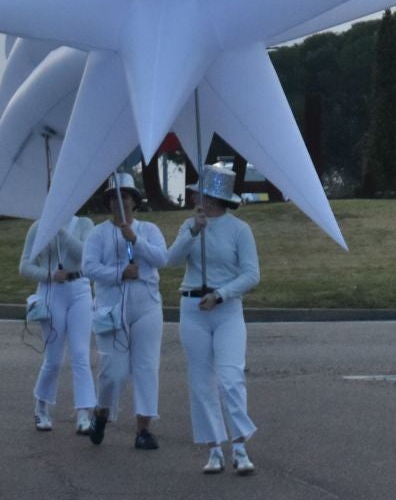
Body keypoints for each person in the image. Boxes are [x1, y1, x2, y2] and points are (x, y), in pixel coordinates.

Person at [165, 163, 261, 476]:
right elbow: (171, 260)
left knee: (231, 378)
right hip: (193, 309)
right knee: (201, 381)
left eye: (200, 192)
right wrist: (193, 230)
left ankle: (240, 447)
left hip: (226, 310)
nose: (194, 195)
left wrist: (220, 294)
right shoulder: (190, 225)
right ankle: (214, 449)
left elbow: (251, 274)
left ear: (214, 197)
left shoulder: (239, 229)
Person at [81, 173, 168, 450]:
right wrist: (119, 273)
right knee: (113, 371)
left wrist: (135, 239)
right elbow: (89, 267)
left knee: (146, 367)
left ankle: (143, 428)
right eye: (115, 199)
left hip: (146, 307)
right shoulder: (98, 233)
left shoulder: (149, 230)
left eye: (126, 197)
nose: (121, 203)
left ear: (134, 200)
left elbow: (161, 258)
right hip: (111, 310)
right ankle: (101, 412)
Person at [18, 200, 96, 434]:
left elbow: (84, 255)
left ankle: (84, 412)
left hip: (79, 288)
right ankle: (41, 405)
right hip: (52, 291)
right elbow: (24, 265)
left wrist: (61, 232)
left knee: (80, 353)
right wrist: (49, 275)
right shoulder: (38, 228)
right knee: (54, 357)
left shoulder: (84, 223)